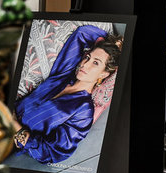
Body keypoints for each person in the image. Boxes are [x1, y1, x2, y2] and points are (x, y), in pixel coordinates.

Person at [13, 24, 123, 164]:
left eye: (95, 63)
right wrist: (114, 44)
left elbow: (53, 153)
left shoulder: (84, 111)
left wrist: (16, 128)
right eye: (87, 57)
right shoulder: (64, 75)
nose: (84, 64)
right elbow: (83, 33)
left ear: (104, 74)